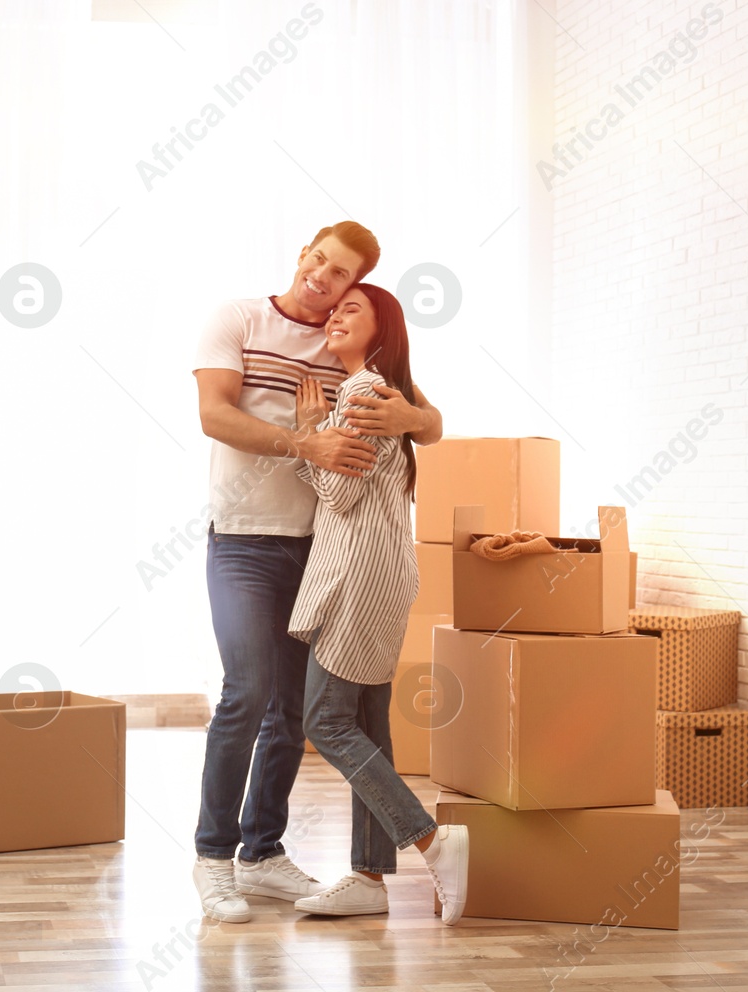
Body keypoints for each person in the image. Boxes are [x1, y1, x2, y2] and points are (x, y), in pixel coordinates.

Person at [190, 221, 444, 923]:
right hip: (242, 541)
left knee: (293, 713)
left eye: (343, 281)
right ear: (304, 252)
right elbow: (214, 415)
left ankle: (262, 854)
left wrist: (417, 417)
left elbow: (425, 417)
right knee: (247, 690)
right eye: (322, 265)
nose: (326, 286)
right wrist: (305, 442)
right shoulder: (238, 318)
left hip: (319, 550)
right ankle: (213, 859)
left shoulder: (345, 345)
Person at [286, 283, 470, 924]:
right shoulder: (378, 392)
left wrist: (308, 435)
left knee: (327, 722)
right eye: (335, 309)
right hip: (382, 572)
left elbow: (335, 496)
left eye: (351, 309)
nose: (336, 314)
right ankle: (368, 877)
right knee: (365, 724)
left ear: (383, 330)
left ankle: (431, 839)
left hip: (358, 578)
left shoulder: (363, 394)